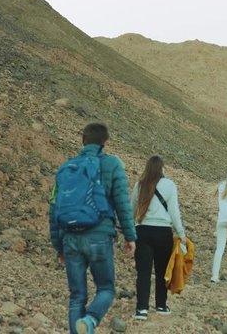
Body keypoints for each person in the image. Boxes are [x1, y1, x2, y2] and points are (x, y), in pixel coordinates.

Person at [49, 123, 137, 334]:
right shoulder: (112, 164)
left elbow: (54, 209)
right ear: (105, 143)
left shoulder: (67, 168)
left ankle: (79, 327)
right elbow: (122, 203)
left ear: (83, 141)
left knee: (77, 296)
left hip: (70, 238)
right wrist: (130, 236)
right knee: (106, 289)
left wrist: (58, 245)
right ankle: (90, 321)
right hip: (99, 236)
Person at [130, 155, 187, 320]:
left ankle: (141, 309)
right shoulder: (170, 185)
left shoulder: (139, 184)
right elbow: (174, 212)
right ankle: (161, 305)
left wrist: (128, 231)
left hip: (143, 231)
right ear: (162, 168)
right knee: (162, 271)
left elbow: (131, 208)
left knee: (143, 272)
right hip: (163, 232)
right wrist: (181, 234)